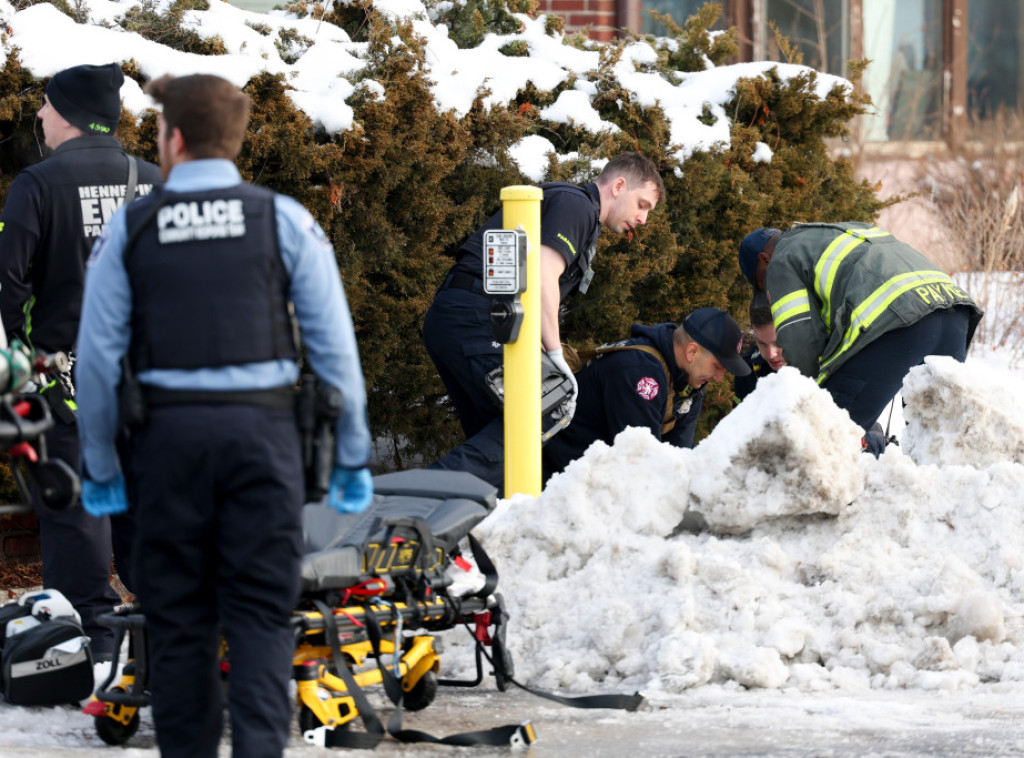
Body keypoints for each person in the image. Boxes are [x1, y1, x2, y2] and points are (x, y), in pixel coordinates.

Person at [74, 73, 373, 758]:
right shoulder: (284, 220)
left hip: (168, 445)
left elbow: (95, 362)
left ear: (173, 138)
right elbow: (335, 356)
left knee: (180, 626)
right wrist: (352, 455)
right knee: (263, 620)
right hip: (262, 443)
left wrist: (99, 466)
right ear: (232, 141)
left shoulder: (131, 227)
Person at [0, 63, 161, 661]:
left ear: (66, 113)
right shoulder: (154, 180)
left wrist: (21, 364)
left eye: (45, 105)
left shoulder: (37, 184)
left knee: (75, 510)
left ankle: (89, 638)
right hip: (145, 383)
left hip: (64, 384)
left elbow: (6, 287)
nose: (39, 116)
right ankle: (166, 624)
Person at [422, 152, 665, 440]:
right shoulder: (577, 206)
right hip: (479, 318)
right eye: (642, 205)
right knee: (524, 430)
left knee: (493, 438)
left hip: (471, 317)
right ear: (619, 186)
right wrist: (554, 353)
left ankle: (477, 485)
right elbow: (542, 274)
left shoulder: (580, 213)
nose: (643, 219)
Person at [434, 308, 751, 489]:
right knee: (455, 490)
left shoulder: (688, 381)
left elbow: (678, 455)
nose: (721, 377)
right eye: (718, 366)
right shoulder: (642, 373)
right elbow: (640, 461)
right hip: (536, 463)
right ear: (692, 351)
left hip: (564, 474)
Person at [737, 221, 983, 433]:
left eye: (763, 284)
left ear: (765, 260)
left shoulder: (781, 259)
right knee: (934, 439)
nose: (769, 293)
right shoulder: (840, 231)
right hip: (954, 313)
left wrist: (803, 401)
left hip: (900, 326)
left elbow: (801, 342)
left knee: (827, 437)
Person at [732, 290, 786, 403]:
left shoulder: (823, 359)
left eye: (778, 343)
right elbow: (739, 418)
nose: (771, 354)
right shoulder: (748, 370)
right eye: (762, 343)